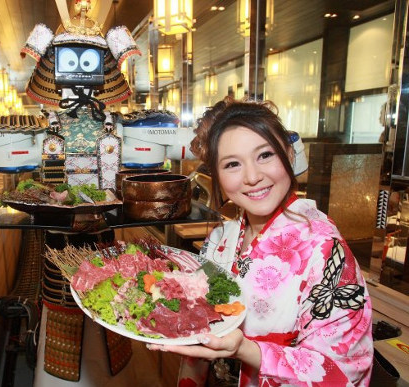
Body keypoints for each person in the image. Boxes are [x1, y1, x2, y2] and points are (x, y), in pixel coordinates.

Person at [148, 97, 374, 386]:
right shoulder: (221, 237)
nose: (253, 177)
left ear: (289, 154)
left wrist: (246, 350)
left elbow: (343, 368)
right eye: (232, 164)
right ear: (216, 175)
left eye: (265, 155)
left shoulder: (325, 249)